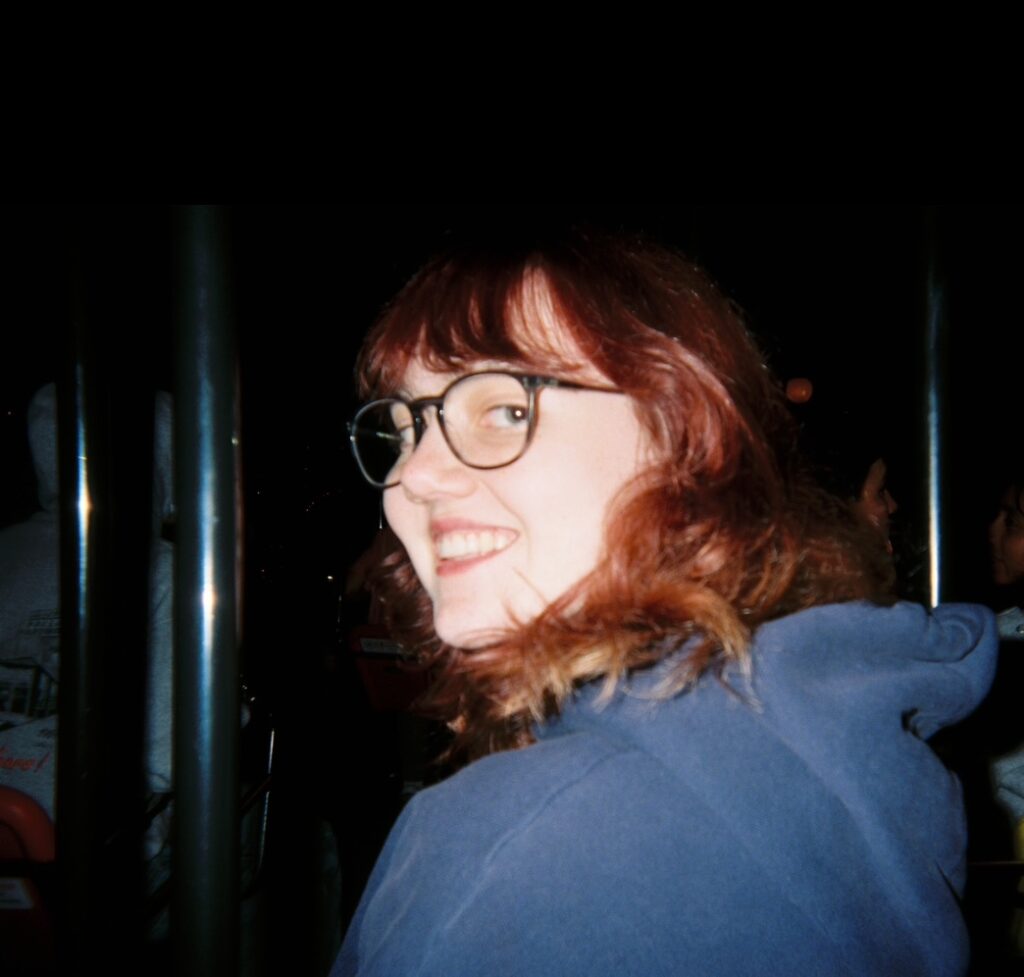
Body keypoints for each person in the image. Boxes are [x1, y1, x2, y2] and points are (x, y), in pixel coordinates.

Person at [332, 230, 997, 977]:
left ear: (682, 438)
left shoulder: (516, 847)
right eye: (403, 429)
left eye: (503, 410)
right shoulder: (830, 743)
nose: (416, 475)